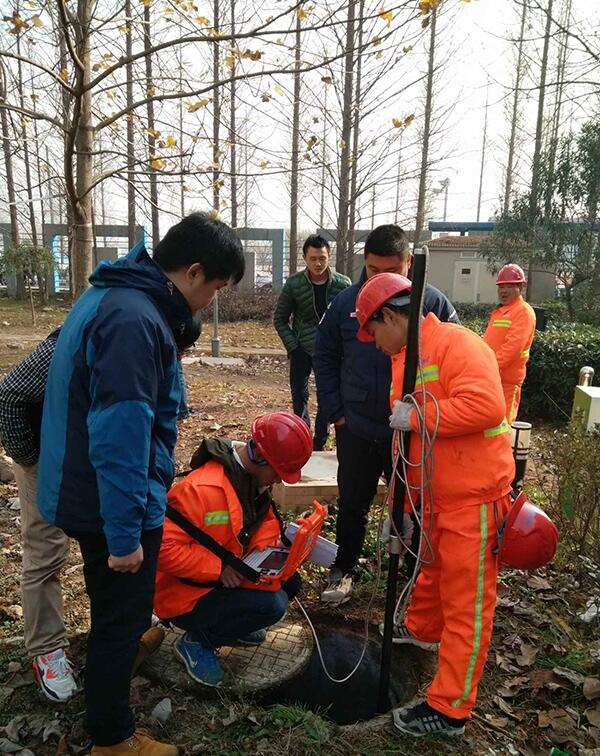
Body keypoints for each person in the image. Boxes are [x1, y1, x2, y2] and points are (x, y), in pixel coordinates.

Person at [37, 213, 244, 756]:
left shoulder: (122, 295)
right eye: (215, 290)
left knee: (115, 610)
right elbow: (120, 437)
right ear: (194, 271)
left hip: (89, 490)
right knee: (119, 614)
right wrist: (126, 536)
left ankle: (118, 663)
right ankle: (112, 737)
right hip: (110, 502)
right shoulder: (134, 320)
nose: (209, 303)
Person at [354, 272, 514, 737]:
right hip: (439, 497)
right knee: (433, 573)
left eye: (372, 331)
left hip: (476, 498)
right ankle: (421, 632)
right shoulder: (405, 356)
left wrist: (421, 415)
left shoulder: (456, 345)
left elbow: (486, 407)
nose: (373, 342)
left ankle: (450, 709)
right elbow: (411, 444)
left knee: (467, 604)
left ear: (390, 315)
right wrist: (401, 507)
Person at [314, 224, 459, 605]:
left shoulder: (433, 304)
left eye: (394, 270)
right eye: (374, 271)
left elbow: (456, 358)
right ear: (365, 264)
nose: (382, 280)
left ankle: (412, 582)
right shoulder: (346, 303)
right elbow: (324, 356)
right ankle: (344, 568)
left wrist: (427, 415)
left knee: (416, 507)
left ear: (410, 263)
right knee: (353, 502)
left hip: (414, 432)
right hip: (358, 425)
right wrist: (337, 412)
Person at [154, 411, 312, 687]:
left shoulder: (252, 479)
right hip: (184, 591)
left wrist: (274, 550)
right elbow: (163, 549)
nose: (278, 480)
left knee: (289, 583)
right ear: (260, 456)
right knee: (272, 605)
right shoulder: (200, 489)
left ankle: (230, 626)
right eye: (278, 471)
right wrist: (218, 569)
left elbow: (260, 524)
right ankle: (197, 642)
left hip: (229, 572)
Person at [0, 330, 77, 702]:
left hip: (94, 452)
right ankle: (46, 648)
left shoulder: (164, 326)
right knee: (45, 548)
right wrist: (30, 459)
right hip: (45, 452)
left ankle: (119, 629)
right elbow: (10, 393)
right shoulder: (89, 331)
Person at [274, 235, 351, 451]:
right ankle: (301, 436)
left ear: (329, 257)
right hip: (302, 347)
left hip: (331, 350)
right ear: (305, 258)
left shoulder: (343, 284)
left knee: (327, 394)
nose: (318, 263)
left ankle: (320, 440)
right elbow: (279, 318)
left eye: (323, 258)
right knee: (299, 394)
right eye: (313, 258)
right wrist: (293, 346)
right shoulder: (295, 284)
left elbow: (350, 318)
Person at [483, 263, 536, 424]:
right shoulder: (499, 312)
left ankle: (505, 450)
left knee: (503, 423)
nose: (503, 291)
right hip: (493, 377)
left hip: (507, 380)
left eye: (509, 286)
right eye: (501, 287)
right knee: (490, 422)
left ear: (520, 287)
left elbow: (512, 348)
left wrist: (489, 368)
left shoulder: (523, 312)